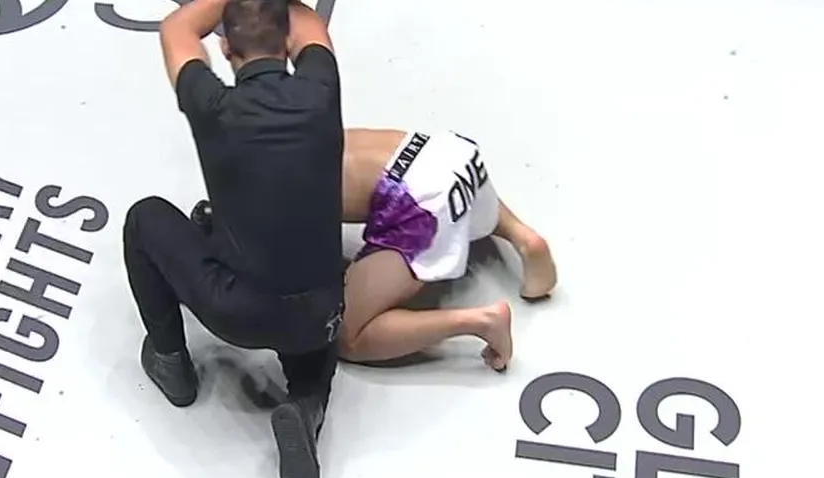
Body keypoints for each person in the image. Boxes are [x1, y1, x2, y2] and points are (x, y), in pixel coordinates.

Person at [122, 0, 344, 478]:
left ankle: (171, 362)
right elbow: (310, 28)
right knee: (316, 351)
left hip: (237, 310)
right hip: (319, 312)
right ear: (287, 45)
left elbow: (176, 30)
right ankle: (306, 405)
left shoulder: (213, 105)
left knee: (146, 219)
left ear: (224, 50)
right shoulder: (322, 91)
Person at [192, 128, 558, 372]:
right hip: (447, 152)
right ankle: (522, 236)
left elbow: (299, 268)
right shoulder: (299, 128)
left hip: (419, 206)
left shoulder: (268, 200)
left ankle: (479, 322)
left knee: (345, 334)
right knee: (446, 185)